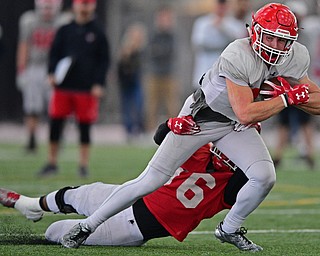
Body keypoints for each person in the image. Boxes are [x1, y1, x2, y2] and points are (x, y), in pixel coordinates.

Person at [60, 3, 320, 252]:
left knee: (264, 176)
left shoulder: (295, 56)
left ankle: (229, 228)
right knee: (150, 181)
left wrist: (296, 95)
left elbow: (314, 99)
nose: (275, 46)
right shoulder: (237, 54)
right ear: (255, 32)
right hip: (201, 119)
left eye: (283, 40)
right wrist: (287, 98)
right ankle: (87, 226)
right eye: (270, 37)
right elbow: (245, 112)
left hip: (233, 126)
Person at [0, 124, 249, 246]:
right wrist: (177, 123)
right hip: (130, 196)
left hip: (134, 226)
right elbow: (160, 135)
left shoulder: (229, 186)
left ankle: (38, 211)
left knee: (55, 231)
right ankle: (30, 204)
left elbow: (256, 176)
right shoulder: (201, 149)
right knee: (79, 193)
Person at [37, 0, 110, 177]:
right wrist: (51, 73)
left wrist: (99, 83)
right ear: (75, 6)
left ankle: (83, 165)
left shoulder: (98, 32)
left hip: (86, 88)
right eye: (81, 4)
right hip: (63, 86)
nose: (84, 8)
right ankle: (52, 162)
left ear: (92, 6)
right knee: (55, 124)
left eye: (87, 4)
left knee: (84, 126)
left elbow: (104, 60)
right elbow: (53, 54)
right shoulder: (65, 30)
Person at [16, 0, 69, 153]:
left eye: (50, 6)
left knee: (57, 108)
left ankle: (58, 137)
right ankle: (31, 138)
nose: (47, 10)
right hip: (35, 66)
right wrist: (21, 70)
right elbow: (24, 45)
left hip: (55, 69)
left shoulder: (63, 21)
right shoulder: (29, 20)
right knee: (32, 108)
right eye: (45, 6)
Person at [273, 1, 315, 169]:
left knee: (305, 122)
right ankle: (278, 156)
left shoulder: (304, 37)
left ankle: (310, 155)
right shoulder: (282, 36)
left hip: (299, 81)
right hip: (285, 84)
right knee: (283, 122)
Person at [191, 0, 247, 89]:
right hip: (204, 72)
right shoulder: (202, 23)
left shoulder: (235, 24)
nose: (221, 8)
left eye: (223, 5)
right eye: (219, 5)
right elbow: (198, 43)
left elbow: (239, 42)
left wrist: (222, 27)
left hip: (226, 77)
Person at [145, 6, 180, 132]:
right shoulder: (153, 35)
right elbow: (149, 51)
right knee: (152, 104)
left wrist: (159, 50)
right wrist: (159, 50)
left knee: (171, 104)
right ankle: (149, 130)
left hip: (169, 73)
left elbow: (170, 51)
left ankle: (173, 129)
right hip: (154, 73)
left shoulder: (172, 36)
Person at [117, 22, 147, 141]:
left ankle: (139, 128)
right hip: (125, 83)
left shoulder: (140, 51)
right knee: (127, 106)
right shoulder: (124, 50)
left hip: (135, 81)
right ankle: (128, 129)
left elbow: (139, 67)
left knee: (138, 105)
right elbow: (120, 67)